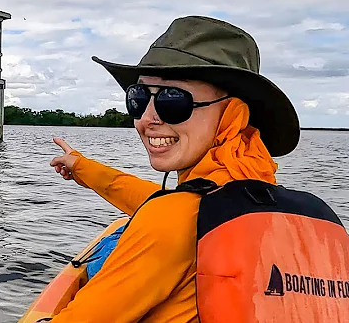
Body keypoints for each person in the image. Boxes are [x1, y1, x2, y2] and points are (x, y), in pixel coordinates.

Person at [47, 16, 349, 323]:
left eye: (173, 100)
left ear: (232, 113)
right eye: (138, 99)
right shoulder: (281, 206)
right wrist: (83, 168)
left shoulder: (174, 219)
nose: (146, 118)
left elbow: (170, 216)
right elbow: (170, 206)